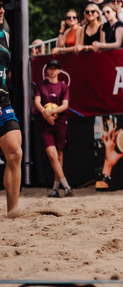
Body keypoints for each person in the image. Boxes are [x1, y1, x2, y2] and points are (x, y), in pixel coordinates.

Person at [34, 60, 72, 197]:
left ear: (59, 71)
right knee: (52, 155)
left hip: (59, 122)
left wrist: (51, 112)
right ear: (47, 71)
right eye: (50, 68)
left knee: (59, 156)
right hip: (45, 123)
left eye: (55, 68)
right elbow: (37, 102)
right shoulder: (41, 85)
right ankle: (66, 185)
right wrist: (45, 114)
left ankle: (55, 188)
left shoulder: (63, 86)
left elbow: (65, 105)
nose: (52, 71)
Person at [0, 0, 23, 216]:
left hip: (2, 100)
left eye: (1, 5)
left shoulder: (5, 35)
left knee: (15, 152)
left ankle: (12, 211)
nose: (0, 9)